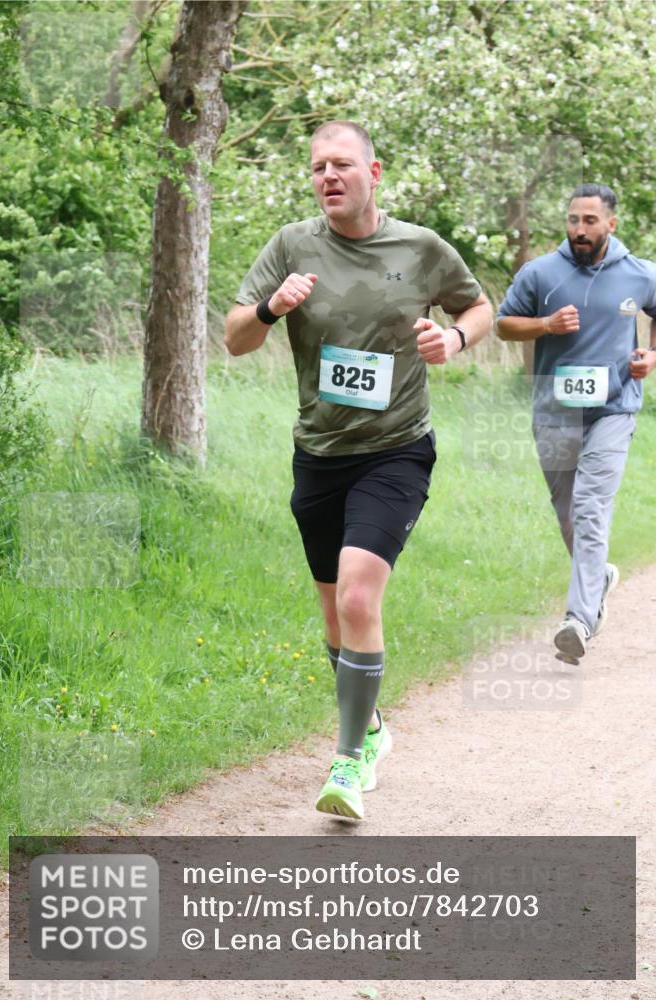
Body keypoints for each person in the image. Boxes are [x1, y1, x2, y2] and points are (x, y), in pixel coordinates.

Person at [225, 121, 492, 819]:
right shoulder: (290, 246)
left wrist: (454, 337)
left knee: (355, 598)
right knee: (333, 620)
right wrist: (268, 307)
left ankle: (346, 763)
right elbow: (233, 338)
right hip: (318, 454)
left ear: (374, 172)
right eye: (317, 168)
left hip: (396, 448)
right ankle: (370, 730)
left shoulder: (419, 247)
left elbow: (477, 304)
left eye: (341, 165)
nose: (328, 177)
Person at [497, 183, 656, 663]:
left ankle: (580, 619)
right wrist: (545, 325)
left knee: (590, 507)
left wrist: (650, 354)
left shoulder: (639, 273)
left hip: (614, 405)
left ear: (611, 223)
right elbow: (505, 324)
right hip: (554, 410)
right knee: (569, 514)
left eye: (589, 220)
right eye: (572, 220)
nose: (579, 230)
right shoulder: (540, 272)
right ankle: (599, 576)